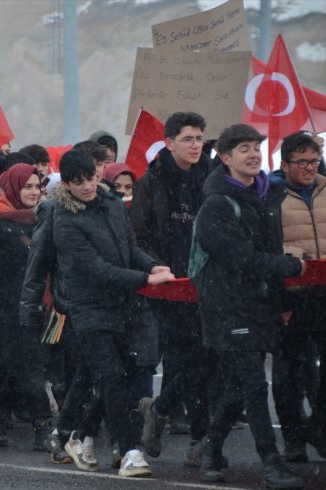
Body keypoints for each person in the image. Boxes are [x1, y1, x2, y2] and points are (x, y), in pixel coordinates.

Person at [20, 149, 175, 477]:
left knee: (100, 375)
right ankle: (128, 448)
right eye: (79, 182)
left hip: (122, 304)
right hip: (86, 306)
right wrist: (145, 279)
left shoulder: (112, 204)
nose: (88, 186)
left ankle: (75, 435)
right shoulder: (62, 217)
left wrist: (151, 264)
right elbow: (95, 269)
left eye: (91, 178)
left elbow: (128, 247)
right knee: (111, 375)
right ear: (67, 183)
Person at [194, 124, 304, 488]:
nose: (254, 154)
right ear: (225, 158)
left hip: (261, 302)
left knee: (240, 385)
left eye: (257, 147)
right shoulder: (215, 203)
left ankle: (210, 447)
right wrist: (290, 266)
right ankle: (272, 464)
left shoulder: (268, 195)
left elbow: (269, 250)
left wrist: (283, 297)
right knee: (255, 385)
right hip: (228, 305)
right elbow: (241, 259)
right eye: (244, 148)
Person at [129, 112, 214, 462]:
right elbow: (138, 237)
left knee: (207, 361)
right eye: (188, 139)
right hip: (171, 287)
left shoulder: (211, 178)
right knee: (184, 359)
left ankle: (162, 409)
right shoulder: (151, 182)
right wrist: (155, 266)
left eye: (199, 139)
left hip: (207, 283)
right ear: (169, 142)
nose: (195, 146)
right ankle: (200, 439)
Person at [0, 164, 54, 449]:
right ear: (12, 188)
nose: (33, 192)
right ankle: (43, 426)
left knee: (17, 369)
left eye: (37, 186)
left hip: (37, 309)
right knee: (30, 368)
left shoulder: (43, 219)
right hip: (6, 312)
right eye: (27, 186)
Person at [270, 131, 326, 462]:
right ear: (285, 163)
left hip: (324, 294)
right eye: (301, 161)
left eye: (313, 160)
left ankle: (318, 427)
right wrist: (292, 257)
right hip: (291, 295)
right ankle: (292, 437)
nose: (308, 167)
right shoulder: (270, 196)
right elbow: (265, 246)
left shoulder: (324, 188)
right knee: (288, 370)